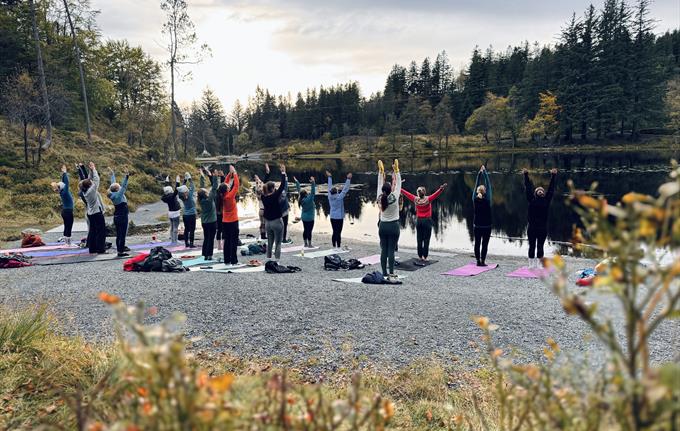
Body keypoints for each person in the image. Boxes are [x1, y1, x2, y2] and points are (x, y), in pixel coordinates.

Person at [401, 180, 447, 262]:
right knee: (426, 239)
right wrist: (441, 189)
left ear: (418, 193)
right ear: (424, 193)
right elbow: (436, 194)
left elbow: (406, 194)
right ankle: (425, 257)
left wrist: (400, 188)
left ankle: (420, 256)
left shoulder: (415, 199)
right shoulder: (428, 199)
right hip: (427, 221)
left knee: (419, 239)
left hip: (419, 221)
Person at [523, 168, 558, 267]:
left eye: (542, 190)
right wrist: (526, 175)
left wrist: (553, 176)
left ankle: (538, 265)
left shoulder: (547, 200)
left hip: (542, 228)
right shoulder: (531, 200)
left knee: (540, 246)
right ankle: (531, 265)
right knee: (532, 246)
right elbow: (528, 187)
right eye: (538, 190)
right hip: (532, 228)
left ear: (543, 193)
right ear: (535, 193)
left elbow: (551, 189)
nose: (540, 191)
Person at [377, 159, 401, 279]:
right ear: (390, 189)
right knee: (391, 250)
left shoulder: (379, 197)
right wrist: (396, 171)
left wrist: (381, 173)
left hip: (382, 226)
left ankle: (384, 272)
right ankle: (391, 272)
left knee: (384, 250)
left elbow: (379, 184)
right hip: (393, 226)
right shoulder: (395, 196)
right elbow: (399, 184)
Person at [261, 164, 287, 260]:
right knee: (278, 242)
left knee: (270, 241)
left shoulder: (263, 197)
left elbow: (264, 185)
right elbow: (282, 185)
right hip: (277, 222)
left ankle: (268, 259)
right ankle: (277, 261)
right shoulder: (275, 196)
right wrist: (283, 173)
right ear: (272, 189)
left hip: (268, 223)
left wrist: (267, 173)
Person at [80, 162, 107, 254]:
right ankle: (101, 249)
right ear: (90, 185)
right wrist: (94, 169)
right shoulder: (91, 191)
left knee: (93, 231)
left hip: (90, 213)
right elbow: (96, 179)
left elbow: (89, 179)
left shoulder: (85, 190)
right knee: (101, 231)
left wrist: (90, 170)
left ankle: (92, 248)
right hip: (96, 213)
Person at [326, 170, 352, 249]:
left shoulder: (329, 197)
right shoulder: (339, 197)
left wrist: (329, 177)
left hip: (332, 217)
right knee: (339, 232)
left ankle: (334, 246)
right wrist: (348, 179)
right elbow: (345, 189)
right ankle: (338, 246)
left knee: (334, 231)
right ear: (337, 192)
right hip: (339, 218)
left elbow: (329, 187)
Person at [472, 165, 492, 266]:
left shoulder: (474, 199)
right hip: (487, 226)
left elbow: (476, 186)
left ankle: (478, 261)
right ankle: (483, 261)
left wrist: (479, 175)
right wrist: (484, 172)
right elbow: (488, 184)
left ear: (477, 192)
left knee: (477, 243)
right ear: (485, 192)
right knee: (484, 244)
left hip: (477, 225)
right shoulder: (488, 199)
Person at [108, 168, 131, 257]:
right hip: (122, 216)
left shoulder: (113, 194)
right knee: (122, 234)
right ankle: (120, 251)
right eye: (119, 187)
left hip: (117, 216)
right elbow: (124, 186)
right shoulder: (118, 195)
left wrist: (112, 174)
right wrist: (127, 176)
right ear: (118, 189)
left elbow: (113, 184)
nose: (120, 187)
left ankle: (119, 249)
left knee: (119, 234)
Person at [198, 167, 219, 260]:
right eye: (206, 191)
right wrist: (214, 176)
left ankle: (205, 254)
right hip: (212, 222)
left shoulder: (200, 200)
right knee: (211, 238)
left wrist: (202, 175)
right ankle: (209, 255)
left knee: (206, 238)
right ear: (206, 194)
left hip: (204, 222)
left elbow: (201, 188)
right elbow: (214, 187)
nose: (207, 190)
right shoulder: (209, 200)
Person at [221, 165, 240, 265]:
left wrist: (229, 174)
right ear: (227, 189)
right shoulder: (229, 196)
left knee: (227, 241)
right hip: (233, 221)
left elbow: (225, 184)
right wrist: (235, 173)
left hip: (225, 221)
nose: (229, 186)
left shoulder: (222, 195)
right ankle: (234, 260)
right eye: (228, 187)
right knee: (233, 241)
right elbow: (236, 185)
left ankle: (226, 260)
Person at [51, 165, 74, 245]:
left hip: (64, 211)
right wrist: (65, 172)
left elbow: (63, 182)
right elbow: (66, 182)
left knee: (66, 226)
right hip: (68, 211)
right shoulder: (65, 192)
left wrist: (63, 174)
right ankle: (68, 243)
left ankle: (66, 242)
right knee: (69, 226)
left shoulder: (62, 191)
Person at [294, 175, 316, 248]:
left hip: (304, 218)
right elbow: (313, 192)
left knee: (305, 230)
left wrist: (297, 182)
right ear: (306, 194)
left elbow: (299, 190)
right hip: (310, 218)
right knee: (309, 231)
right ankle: (309, 244)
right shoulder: (309, 199)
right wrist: (313, 183)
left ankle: (305, 243)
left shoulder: (301, 199)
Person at [178, 173, 197, 248]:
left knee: (186, 229)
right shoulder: (189, 195)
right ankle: (191, 243)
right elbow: (192, 186)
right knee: (192, 229)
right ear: (186, 191)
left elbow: (181, 189)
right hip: (191, 214)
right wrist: (189, 179)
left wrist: (185, 181)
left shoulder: (181, 196)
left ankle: (186, 243)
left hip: (185, 215)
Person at [161, 175, 181, 245]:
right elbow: (176, 190)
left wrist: (167, 181)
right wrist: (178, 182)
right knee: (175, 227)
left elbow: (166, 189)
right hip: (175, 213)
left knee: (172, 227)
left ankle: (173, 240)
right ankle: (175, 241)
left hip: (170, 213)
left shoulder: (165, 197)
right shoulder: (172, 196)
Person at [214, 170, 225, 251]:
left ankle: (219, 246)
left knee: (219, 230)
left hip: (217, 213)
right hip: (222, 214)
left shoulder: (215, 195)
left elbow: (221, 185)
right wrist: (222, 176)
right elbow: (224, 186)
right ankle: (223, 245)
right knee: (223, 229)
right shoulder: (223, 196)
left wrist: (219, 176)